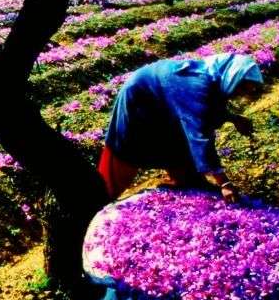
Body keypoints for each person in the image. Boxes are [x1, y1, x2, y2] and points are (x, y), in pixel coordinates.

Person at [98, 53, 264, 204]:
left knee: (177, 144)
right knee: (128, 151)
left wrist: (233, 118)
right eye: (241, 87)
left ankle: (187, 181)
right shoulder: (196, 85)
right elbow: (201, 136)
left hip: (162, 104)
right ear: (233, 76)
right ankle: (99, 199)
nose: (240, 94)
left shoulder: (215, 76)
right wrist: (225, 183)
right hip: (140, 99)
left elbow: (210, 107)